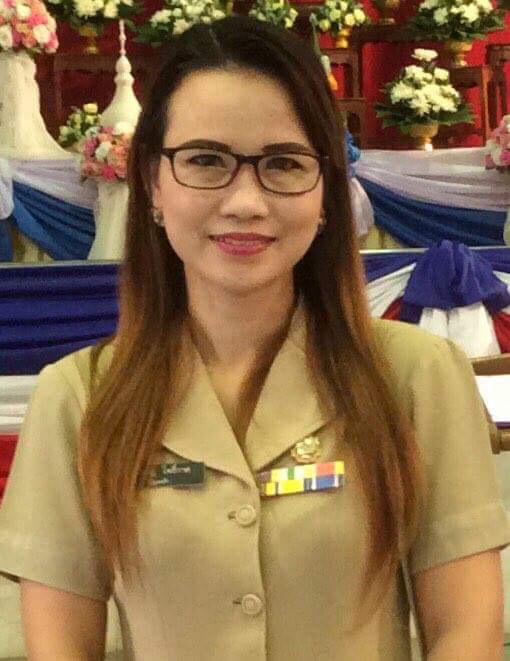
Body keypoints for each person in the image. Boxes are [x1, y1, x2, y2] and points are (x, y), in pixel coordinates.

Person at [0, 15, 509, 660]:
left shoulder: (416, 376)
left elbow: (464, 631)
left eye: (283, 163)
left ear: (326, 191)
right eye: (206, 160)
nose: (246, 201)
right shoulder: (80, 399)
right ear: (152, 182)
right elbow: (61, 648)